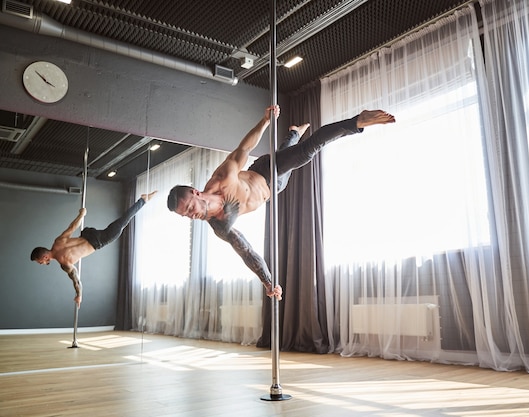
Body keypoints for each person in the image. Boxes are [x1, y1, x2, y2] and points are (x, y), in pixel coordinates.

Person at [167, 105, 395, 300]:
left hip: (264, 171)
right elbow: (246, 251)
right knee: (291, 154)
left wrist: (265, 120)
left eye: (189, 208)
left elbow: (244, 148)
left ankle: (357, 121)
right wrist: (268, 282)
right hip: (275, 188)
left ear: (196, 193)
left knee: (306, 153)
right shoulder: (219, 226)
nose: (191, 215)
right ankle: (294, 132)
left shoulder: (222, 179)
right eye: (185, 215)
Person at [31, 191, 158, 308]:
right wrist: (82, 214)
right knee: (119, 224)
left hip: (98, 241)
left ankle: (143, 200)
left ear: (44, 257)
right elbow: (73, 227)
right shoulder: (58, 241)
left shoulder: (64, 264)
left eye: (39, 262)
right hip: (88, 233)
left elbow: (76, 281)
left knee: (122, 223)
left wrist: (79, 295)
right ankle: (142, 201)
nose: (41, 264)